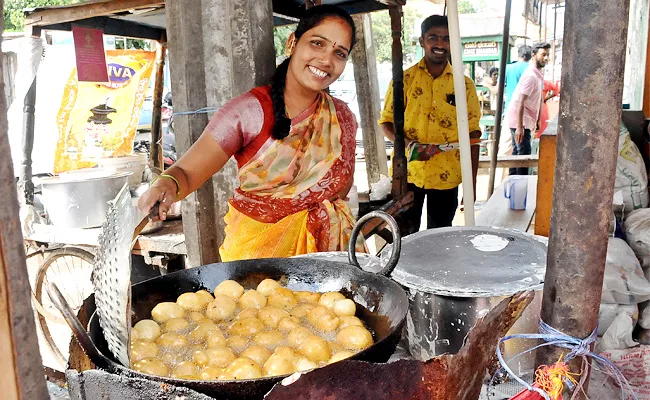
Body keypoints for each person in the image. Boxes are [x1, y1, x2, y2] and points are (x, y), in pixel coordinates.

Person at [138, 5, 362, 261]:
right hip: (259, 265)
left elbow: (341, 189)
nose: (326, 60)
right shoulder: (247, 112)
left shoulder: (342, 117)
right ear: (293, 42)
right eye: (317, 43)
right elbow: (186, 173)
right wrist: (166, 184)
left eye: (339, 53)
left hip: (331, 260)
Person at [378, 15, 482, 234]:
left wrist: (470, 188)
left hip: (448, 177)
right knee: (404, 236)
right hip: (409, 174)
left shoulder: (464, 85)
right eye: (434, 37)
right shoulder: (403, 80)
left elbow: (473, 136)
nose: (440, 44)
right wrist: (409, 145)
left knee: (440, 237)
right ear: (422, 41)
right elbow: (386, 122)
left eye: (446, 39)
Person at [505, 42, 550, 176]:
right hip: (520, 121)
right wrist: (520, 127)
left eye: (547, 55)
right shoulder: (531, 76)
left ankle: (515, 187)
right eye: (543, 55)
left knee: (517, 155)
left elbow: (537, 99)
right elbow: (520, 101)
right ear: (534, 55)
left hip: (524, 120)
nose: (546, 58)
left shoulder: (537, 74)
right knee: (523, 157)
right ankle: (519, 189)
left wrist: (537, 119)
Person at [504, 45, 532, 113]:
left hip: (510, 109)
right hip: (527, 111)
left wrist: (487, 84)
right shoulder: (533, 70)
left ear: (518, 55)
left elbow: (496, 90)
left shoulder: (508, 68)